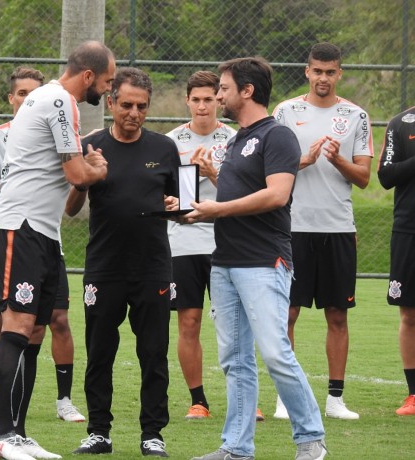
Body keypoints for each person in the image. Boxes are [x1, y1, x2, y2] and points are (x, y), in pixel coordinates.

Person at [0, 40, 115, 460]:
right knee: (16, 326)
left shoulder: (49, 99)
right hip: (18, 227)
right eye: (107, 82)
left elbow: (66, 170)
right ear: (88, 76)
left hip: (42, 233)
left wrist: (85, 170)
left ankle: (18, 433)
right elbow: (76, 172)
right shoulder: (59, 100)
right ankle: (2, 435)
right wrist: (96, 170)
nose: (107, 91)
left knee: (34, 331)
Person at [186, 57, 326, 460]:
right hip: (226, 263)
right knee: (235, 361)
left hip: (264, 262)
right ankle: (236, 448)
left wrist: (216, 210)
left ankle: (311, 441)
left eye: (225, 88)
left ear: (247, 91)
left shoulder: (277, 136)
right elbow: (239, 194)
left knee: (275, 352)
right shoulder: (236, 140)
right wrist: (210, 182)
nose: (220, 96)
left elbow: (277, 194)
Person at [67, 67, 180, 458]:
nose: (134, 113)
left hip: (152, 267)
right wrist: (86, 178)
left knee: (153, 352)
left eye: (142, 107)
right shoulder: (90, 145)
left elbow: (182, 205)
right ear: (111, 102)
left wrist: (177, 206)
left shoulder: (165, 149)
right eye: (127, 104)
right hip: (104, 267)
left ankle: (153, 434)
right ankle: (99, 432)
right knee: (100, 351)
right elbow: (72, 207)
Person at [0, 66, 85, 423]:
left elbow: (73, 189)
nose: (27, 99)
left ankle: (58, 402)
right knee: (5, 322)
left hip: (45, 236)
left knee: (54, 320)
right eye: (20, 94)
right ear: (12, 98)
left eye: (31, 93)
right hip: (13, 231)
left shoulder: (60, 129)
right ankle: (6, 419)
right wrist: (21, 182)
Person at [273, 42, 373, 420]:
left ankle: (335, 400)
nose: (323, 79)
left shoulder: (356, 115)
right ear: (306, 71)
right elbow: (272, 168)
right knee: (288, 313)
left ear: (339, 74)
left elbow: (364, 178)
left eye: (330, 72)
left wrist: (338, 160)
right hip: (292, 228)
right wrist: (305, 159)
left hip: (337, 228)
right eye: (317, 71)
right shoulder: (285, 111)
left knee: (337, 315)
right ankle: (286, 398)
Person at [165, 70, 241, 420]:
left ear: (218, 100)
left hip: (225, 242)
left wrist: (212, 173)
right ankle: (198, 400)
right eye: (195, 99)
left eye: (208, 99)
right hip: (183, 243)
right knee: (190, 321)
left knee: (233, 323)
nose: (202, 106)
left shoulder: (236, 139)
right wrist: (179, 192)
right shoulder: (171, 142)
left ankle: (244, 399)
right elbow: (170, 199)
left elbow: (245, 196)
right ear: (187, 101)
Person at [377, 106, 415, 416]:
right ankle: (414, 394)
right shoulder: (401, 123)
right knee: (410, 314)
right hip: (409, 231)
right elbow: (386, 176)